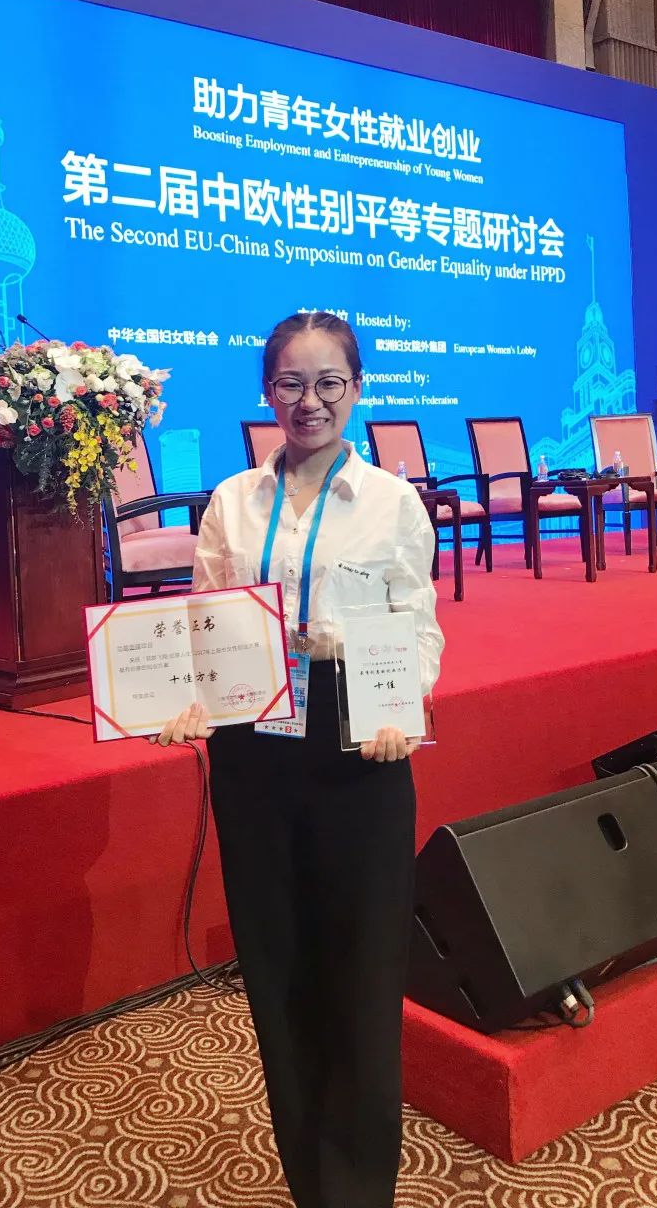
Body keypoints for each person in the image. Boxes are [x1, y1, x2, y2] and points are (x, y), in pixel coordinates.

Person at [159, 311, 444, 1208]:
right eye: (290, 382)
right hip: (253, 747)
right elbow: (206, 622)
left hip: (361, 742)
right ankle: (310, 1184)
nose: (309, 401)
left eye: (328, 383)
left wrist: (403, 707)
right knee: (277, 969)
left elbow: (419, 627)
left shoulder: (393, 502)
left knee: (363, 973)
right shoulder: (233, 501)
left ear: (357, 389)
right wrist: (187, 698)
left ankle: (359, 1189)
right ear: (267, 391)